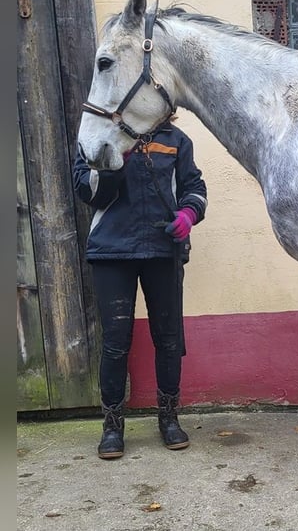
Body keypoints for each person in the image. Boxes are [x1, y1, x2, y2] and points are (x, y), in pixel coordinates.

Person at [72, 117, 207, 459]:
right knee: (116, 342)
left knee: (169, 339)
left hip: (163, 251)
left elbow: (195, 187)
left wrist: (188, 215)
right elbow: (86, 191)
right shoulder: (99, 138)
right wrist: (115, 163)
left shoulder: (176, 139)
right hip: (112, 252)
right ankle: (112, 426)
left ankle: (169, 419)